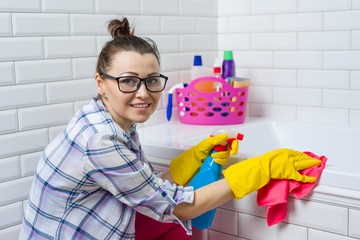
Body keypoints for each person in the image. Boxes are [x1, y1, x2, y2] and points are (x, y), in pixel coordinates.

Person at [19, 17, 321, 240]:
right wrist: (259, 169)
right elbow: (178, 207)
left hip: (93, 224)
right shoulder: (100, 139)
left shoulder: (111, 118)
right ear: (101, 83)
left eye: (151, 80)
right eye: (128, 80)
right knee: (181, 223)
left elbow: (146, 190)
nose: (143, 92)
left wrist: (185, 163)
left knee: (179, 230)